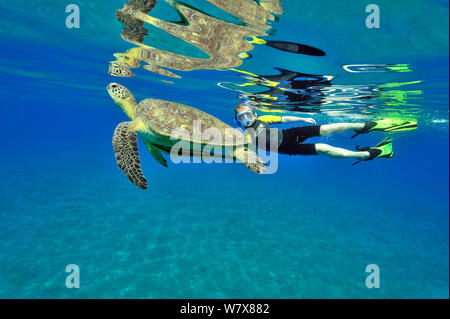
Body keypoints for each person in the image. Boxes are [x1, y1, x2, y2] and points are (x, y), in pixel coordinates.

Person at [234, 104, 418, 164]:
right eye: (241, 118)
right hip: (288, 147)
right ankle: (370, 154)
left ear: (255, 114)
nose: (246, 119)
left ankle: (366, 125)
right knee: (326, 149)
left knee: (327, 128)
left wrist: (302, 119)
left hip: (291, 133)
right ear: (238, 121)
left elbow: (282, 119)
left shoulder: (264, 117)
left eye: (248, 114)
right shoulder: (245, 136)